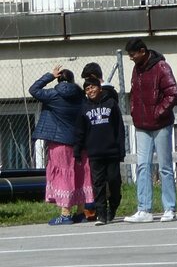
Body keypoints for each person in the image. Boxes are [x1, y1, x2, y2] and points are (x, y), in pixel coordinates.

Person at [124, 38, 177, 223]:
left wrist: (158, 112)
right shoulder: (136, 69)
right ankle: (144, 209)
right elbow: (134, 94)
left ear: (142, 51)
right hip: (141, 124)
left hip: (160, 124)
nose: (131, 58)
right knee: (142, 166)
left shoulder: (161, 67)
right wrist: (135, 112)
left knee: (165, 167)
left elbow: (173, 92)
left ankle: (169, 207)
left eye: (132, 55)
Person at [29, 66, 93, 225]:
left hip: (59, 142)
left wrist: (49, 75)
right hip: (80, 141)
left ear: (59, 79)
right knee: (80, 174)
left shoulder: (52, 95)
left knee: (63, 175)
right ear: (72, 80)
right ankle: (80, 212)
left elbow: (34, 89)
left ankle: (65, 214)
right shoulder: (81, 95)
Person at [77, 72, 125, 225]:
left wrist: (121, 149)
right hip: (95, 154)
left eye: (92, 87)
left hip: (111, 153)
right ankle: (102, 214)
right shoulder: (84, 108)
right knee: (98, 184)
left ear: (99, 88)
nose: (90, 91)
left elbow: (119, 129)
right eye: (87, 89)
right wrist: (77, 150)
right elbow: (80, 131)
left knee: (114, 182)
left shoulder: (111, 104)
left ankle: (114, 206)